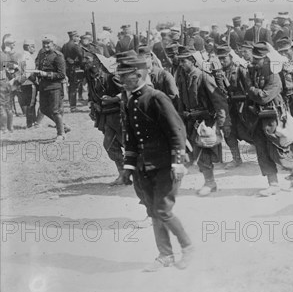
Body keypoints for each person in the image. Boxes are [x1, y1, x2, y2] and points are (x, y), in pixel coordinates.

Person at [119, 57, 193, 271]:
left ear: (139, 74)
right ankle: (165, 255)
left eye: (126, 76)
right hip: (145, 166)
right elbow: (131, 138)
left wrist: (178, 162)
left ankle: (187, 248)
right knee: (154, 211)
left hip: (165, 165)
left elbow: (176, 131)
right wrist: (128, 167)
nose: (123, 81)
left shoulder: (156, 98)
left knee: (163, 210)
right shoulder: (131, 100)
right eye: (121, 77)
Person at [247, 42, 293, 195]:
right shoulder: (255, 72)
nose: (254, 61)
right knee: (262, 151)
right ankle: (273, 184)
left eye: (258, 59)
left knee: (279, 151)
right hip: (258, 118)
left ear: (266, 59)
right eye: (254, 58)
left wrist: (251, 89)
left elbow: (264, 97)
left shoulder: (274, 74)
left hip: (273, 118)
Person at [176, 47, 230, 196]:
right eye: (180, 61)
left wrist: (223, 122)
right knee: (190, 152)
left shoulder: (203, 77)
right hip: (189, 121)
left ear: (193, 61)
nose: (181, 64)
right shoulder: (182, 78)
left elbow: (219, 101)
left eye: (184, 61)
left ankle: (210, 182)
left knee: (203, 152)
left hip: (205, 122)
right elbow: (181, 101)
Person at [84, 52, 126, 185]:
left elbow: (128, 92)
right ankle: (123, 174)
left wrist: (114, 99)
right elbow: (92, 95)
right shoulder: (91, 77)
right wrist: (93, 105)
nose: (85, 61)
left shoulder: (111, 77)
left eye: (88, 59)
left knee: (129, 144)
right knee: (109, 145)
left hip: (119, 116)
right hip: (105, 117)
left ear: (97, 62)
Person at [214, 44, 254, 168]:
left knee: (248, 132)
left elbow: (249, 89)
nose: (222, 61)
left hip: (242, 107)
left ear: (231, 57)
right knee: (228, 132)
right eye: (219, 58)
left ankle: (267, 155)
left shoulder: (239, 69)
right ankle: (236, 159)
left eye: (224, 58)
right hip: (227, 108)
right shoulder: (218, 72)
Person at [36, 35, 68, 141]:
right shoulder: (41, 54)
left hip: (54, 87)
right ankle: (62, 125)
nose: (45, 45)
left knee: (55, 110)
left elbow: (61, 74)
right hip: (43, 86)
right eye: (44, 43)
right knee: (44, 109)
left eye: (48, 43)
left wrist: (46, 74)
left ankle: (61, 134)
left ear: (53, 44)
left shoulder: (58, 56)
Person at [62, 31, 85, 112]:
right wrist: (79, 64)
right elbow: (81, 56)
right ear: (74, 37)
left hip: (67, 68)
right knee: (74, 87)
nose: (78, 38)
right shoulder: (75, 46)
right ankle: (73, 106)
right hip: (75, 68)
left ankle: (71, 104)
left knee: (70, 86)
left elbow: (62, 57)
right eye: (77, 36)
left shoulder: (65, 46)